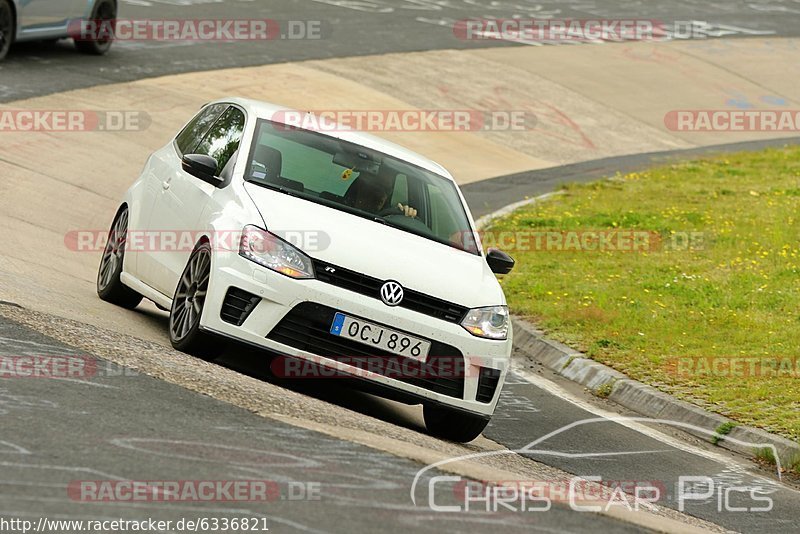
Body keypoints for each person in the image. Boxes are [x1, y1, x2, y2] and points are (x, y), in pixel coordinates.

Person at [346, 172, 417, 218]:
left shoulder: (388, 220)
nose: (382, 195)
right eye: (377, 188)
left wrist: (405, 216)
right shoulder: (337, 212)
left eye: (387, 190)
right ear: (361, 186)